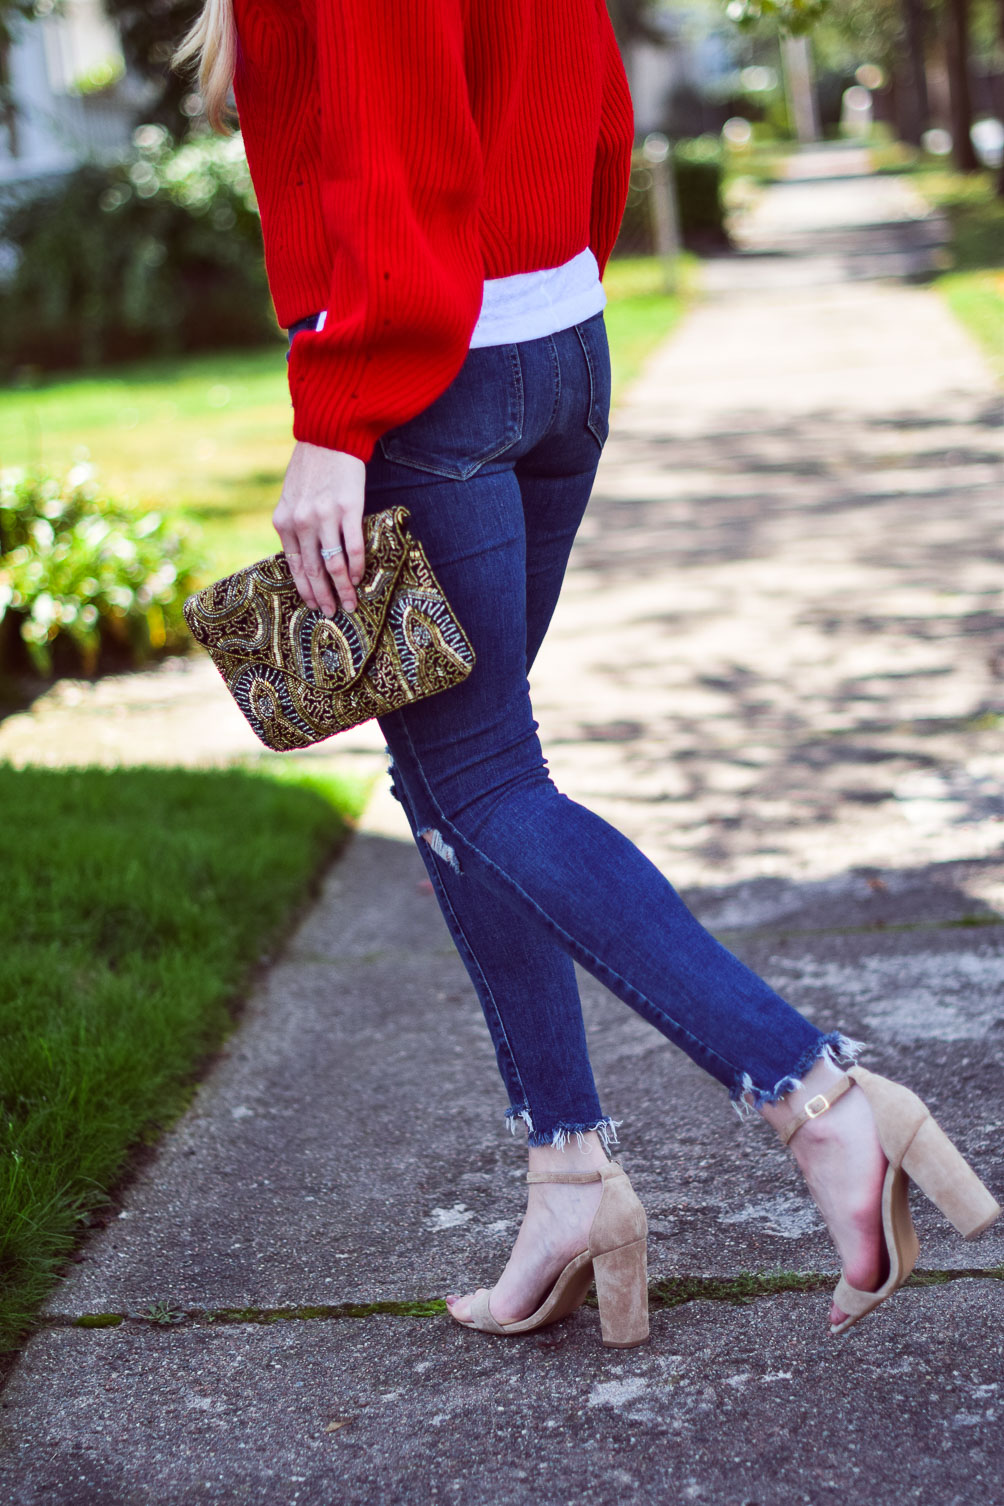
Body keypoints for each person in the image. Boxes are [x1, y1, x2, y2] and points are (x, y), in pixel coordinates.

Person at [173, 0, 1000, 1347]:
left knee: (484, 782)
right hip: (555, 338)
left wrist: (335, 415)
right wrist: (549, 298)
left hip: (432, 370)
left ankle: (822, 1101)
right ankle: (569, 1178)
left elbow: (390, 149)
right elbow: (591, 100)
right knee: (460, 781)